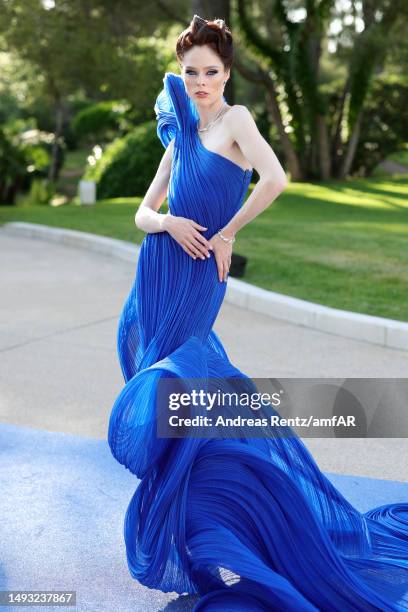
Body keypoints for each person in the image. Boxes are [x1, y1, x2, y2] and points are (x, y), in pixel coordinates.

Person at [108, 14, 408, 612]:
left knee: (184, 382)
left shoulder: (237, 120)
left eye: (210, 72)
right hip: (155, 272)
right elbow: (143, 211)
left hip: (197, 279)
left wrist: (226, 234)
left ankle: (231, 516)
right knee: (161, 390)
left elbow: (275, 179)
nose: (199, 83)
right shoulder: (180, 129)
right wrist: (166, 222)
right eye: (191, 72)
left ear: (227, 72)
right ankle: (198, 527)